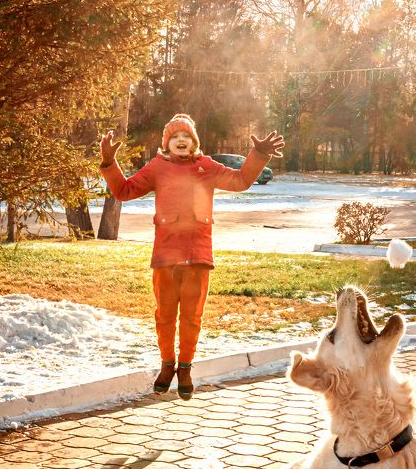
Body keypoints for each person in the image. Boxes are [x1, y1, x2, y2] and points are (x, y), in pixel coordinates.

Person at [99, 114, 284, 398]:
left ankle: (184, 367)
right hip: (165, 255)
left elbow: (241, 180)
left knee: (192, 316)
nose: (180, 140)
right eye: (174, 136)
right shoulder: (157, 168)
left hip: (198, 255)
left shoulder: (205, 167)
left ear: (194, 141)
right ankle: (167, 364)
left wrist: (258, 155)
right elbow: (123, 191)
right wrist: (110, 164)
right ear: (167, 143)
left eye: (186, 136)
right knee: (164, 315)